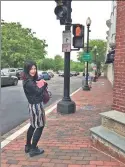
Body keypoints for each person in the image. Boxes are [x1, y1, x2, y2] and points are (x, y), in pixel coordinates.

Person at [22, 60, 48, 157]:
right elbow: (37, 92)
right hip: (36, 106)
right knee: (40, 126)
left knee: (33, 125)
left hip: (32, 105)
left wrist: (38, 82)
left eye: (34, 68)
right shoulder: (28, 82)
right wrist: (44, 85)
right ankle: (33, 149)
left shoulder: (28, 80)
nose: (33, 70)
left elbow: (34, 88)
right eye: (31, 69)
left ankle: (28, 146)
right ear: (27, 69)